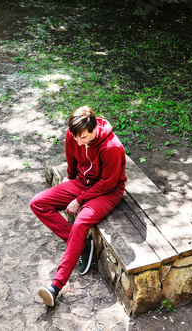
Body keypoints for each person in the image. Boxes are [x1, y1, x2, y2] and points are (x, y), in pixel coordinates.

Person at [30, 105, 127, 307]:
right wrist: (70, 182)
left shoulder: (112, 147)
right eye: (75, 137)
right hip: (82, 183)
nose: (78, 141)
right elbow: (72, 161)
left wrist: (80, 199)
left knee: (80, 223)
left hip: (108, 192)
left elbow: (108, 183)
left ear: (94, 129)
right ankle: (81, 244)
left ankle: (55, 287)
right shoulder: (73, 134)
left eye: (83, 137)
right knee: (38, 203)